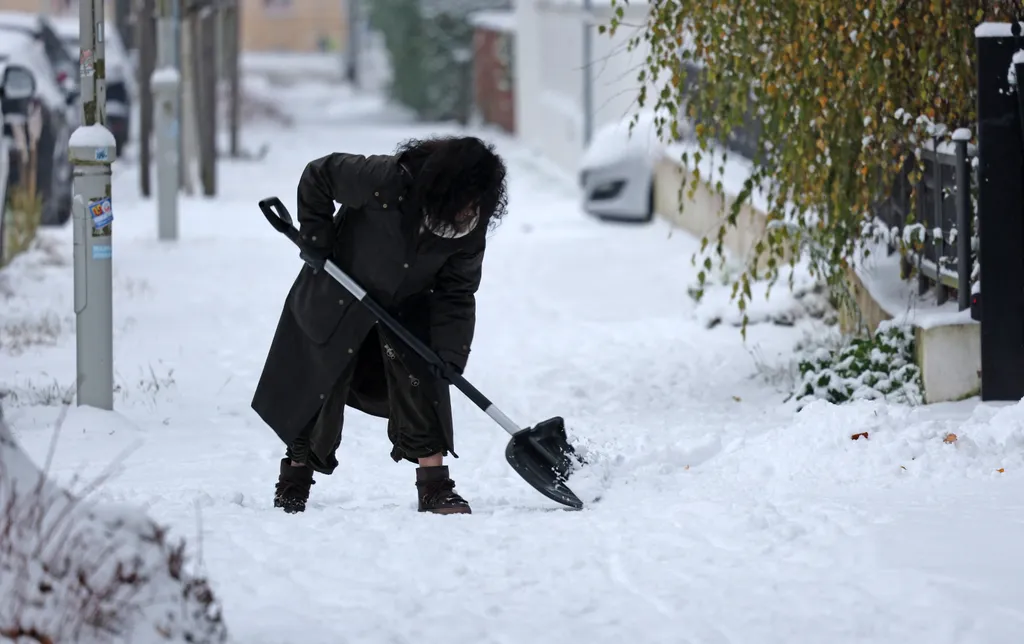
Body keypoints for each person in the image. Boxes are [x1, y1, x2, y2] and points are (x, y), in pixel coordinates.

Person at [251, 135, 508, 516]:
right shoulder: (385, 179)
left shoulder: (470, 226)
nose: (467, 211)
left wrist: (451, 356)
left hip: (406, 308)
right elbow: (319, 174)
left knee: (425, 383)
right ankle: (294, 480)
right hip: (339, 290)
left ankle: (435, 488)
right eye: (464, 200)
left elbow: (457, 292)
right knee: (320, 385)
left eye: (476, 203)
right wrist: (317, 238)